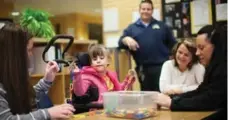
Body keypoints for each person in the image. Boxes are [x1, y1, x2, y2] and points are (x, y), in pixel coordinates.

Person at [0, 22, 75, 120]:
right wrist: (48, 113)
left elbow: (26, 97)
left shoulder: (11, 78)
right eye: (29, 50)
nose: (31, 55)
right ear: (14, 54)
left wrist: (46, 81)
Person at [156, 25, 227, 119]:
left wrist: (172, 103)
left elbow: (209, 100)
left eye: (201, 48)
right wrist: (174, 99)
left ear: (216, 47)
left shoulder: (223, 68)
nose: (197, 53)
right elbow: (201, 90)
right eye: (180, 52)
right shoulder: (213, 66)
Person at [118, 0, 176, 91]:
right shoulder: (132, 28)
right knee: (147, 96)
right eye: (143, 9)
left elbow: (173, 45)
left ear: (152, 11)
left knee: (163, 92)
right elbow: (120, 44)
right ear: (139, 10)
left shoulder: (162, 26)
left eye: (148, 9)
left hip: (162, 67)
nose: (145, 11)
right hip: (143, 69)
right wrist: (125, 39)